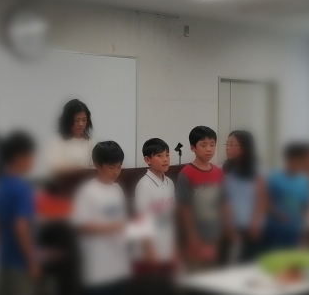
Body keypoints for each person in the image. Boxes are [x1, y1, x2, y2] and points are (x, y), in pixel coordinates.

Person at [72, 141, 129, 295]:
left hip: (119, 266)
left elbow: (122, 222)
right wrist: (112, 227)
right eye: (111, 167)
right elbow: (81, 226)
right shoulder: (87, 191)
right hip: (97, 269)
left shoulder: (117, 189)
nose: (116, 172)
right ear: (97, 165)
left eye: (119, 167)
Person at [0, 131, 40, 295]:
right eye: (31, 156)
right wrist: (32, 262)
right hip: (19, 265)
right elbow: (21, 227)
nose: (33, 161)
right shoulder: (21, 189)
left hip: (1, 263)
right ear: (20, 157)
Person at [176, 126, 226, 267]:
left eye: (212, 145)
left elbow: (222, 203)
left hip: (215, 233)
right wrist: (191, 236)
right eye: (203, 145)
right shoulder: (186, 173)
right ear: (193, 148)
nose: (209, 149)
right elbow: (184, 208)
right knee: (197, 271)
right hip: (196, 235)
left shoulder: (218, 172)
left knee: (214, 271)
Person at [133, 138, 176, 283]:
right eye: (159, 155)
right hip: (149, 252)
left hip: (167, 248)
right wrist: (149, 252)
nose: (165, 159)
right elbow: (142, 221)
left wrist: (174, 247)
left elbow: (171, 217)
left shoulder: (170, 183)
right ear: (147, 160)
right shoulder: (144, 185)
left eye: (167, 155)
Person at [220, 130, 266, 263]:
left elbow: (261, 200)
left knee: (250, 263)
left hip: (252, 227)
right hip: (232, 227)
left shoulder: (257, 172)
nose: (227, 148)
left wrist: (255, 225)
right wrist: (229, 226)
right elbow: (225, 201)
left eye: (232, 144)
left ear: (244, 148)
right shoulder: (227, 170)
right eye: (227, 144)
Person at [264, 143, 309, 250]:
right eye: (296, 160)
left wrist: (303, 226)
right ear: (288, 159)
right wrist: (278, 214)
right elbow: (266, 201)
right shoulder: (274, 178)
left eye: (301, 161)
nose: (298, 164)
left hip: (295, 230)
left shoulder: (304, 181)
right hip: (275, 230)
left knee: (291, 257)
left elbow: (305, 205)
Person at [47, 99, 97, 173]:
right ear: (67, 120)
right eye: (77, 120)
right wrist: (71, 169)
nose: (81, 124)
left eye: (84, 120)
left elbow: (95, 167)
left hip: (86, 179)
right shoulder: (58, 141)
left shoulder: (91, 142)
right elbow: (53, 167)